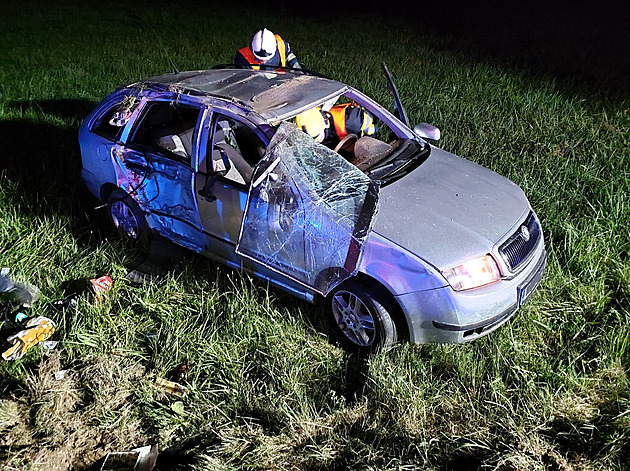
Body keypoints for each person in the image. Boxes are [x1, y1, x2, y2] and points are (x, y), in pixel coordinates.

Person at [295, 103, 377, 145]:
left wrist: (369, 141)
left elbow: (369, 122)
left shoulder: (353, 120)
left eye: (318, 139)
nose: (317, 142)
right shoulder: (312, 119)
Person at [235, 28, 300, 70]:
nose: (262, 61)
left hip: (280, 81)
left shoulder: (281, 45)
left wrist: (296, 66)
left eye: (265, 59)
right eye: (260, 59)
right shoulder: (243, 58)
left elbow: (289, 56)